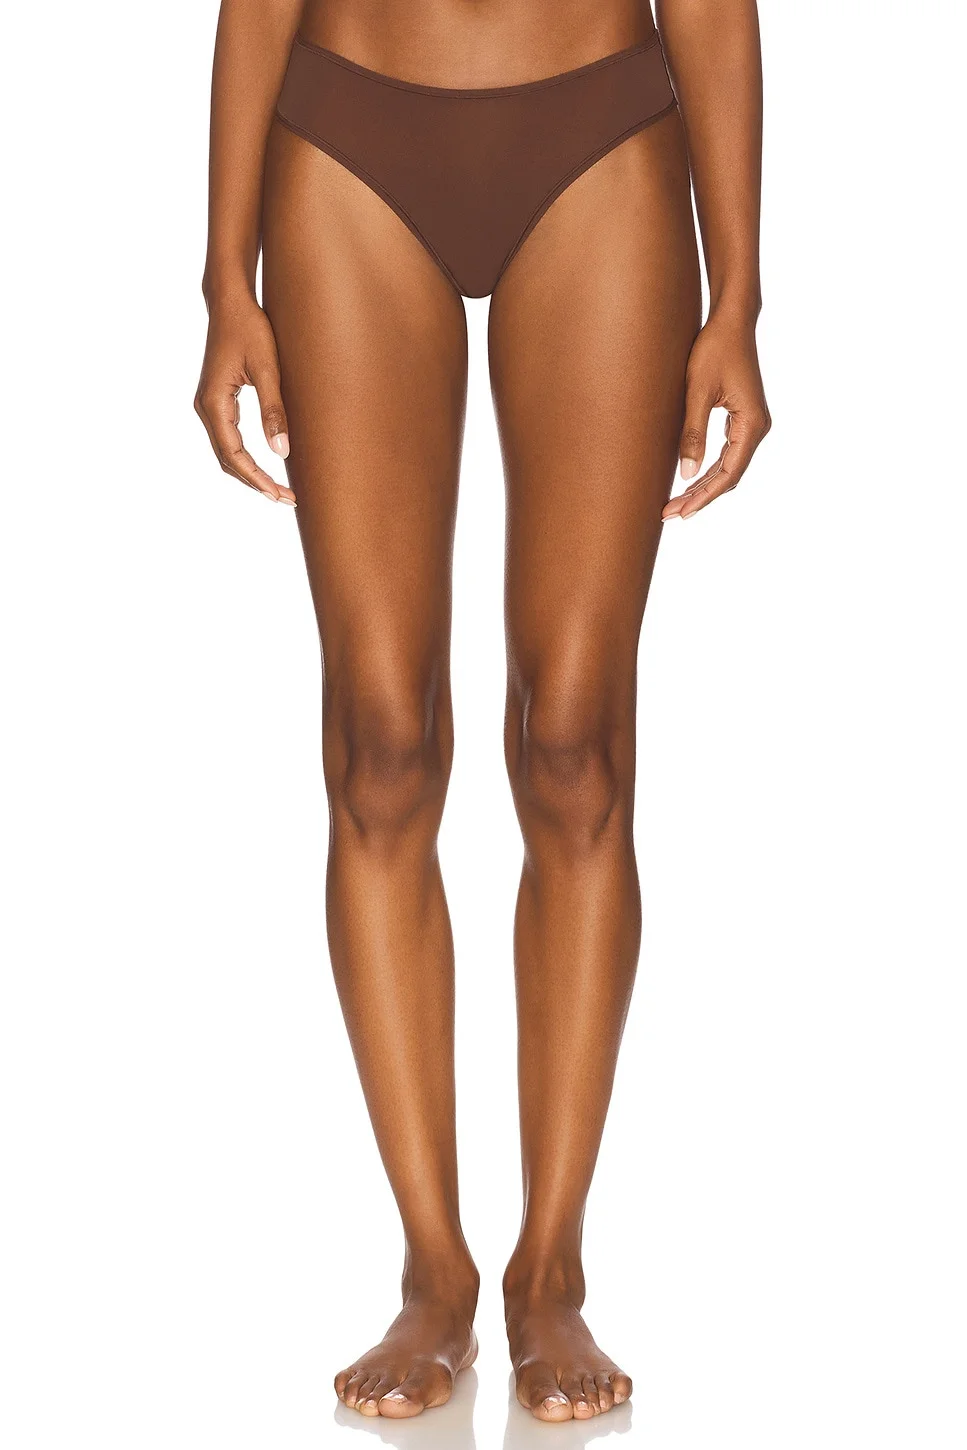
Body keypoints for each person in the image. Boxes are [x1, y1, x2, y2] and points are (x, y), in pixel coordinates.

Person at [194, 0, 770, 1424]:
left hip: (598, 123)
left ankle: (551, 1265)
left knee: (575, 748)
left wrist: (739, 298)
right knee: (380, 747)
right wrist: (222, 279)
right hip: (346, 125)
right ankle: (432, 1263)